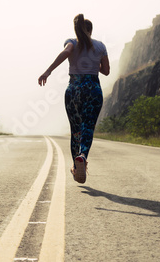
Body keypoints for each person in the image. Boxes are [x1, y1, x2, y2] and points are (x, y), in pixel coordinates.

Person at [38, 14, 110, 183]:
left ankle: (75, 164)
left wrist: (48, 71)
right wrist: (93, 62)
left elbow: (66, 52)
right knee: (88, 127)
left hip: (74, 89)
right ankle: (83, 156)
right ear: (91, 31)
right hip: (93, 88)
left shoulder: (71, 41)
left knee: (75, 129)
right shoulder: (100, 46)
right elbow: (106, 71)